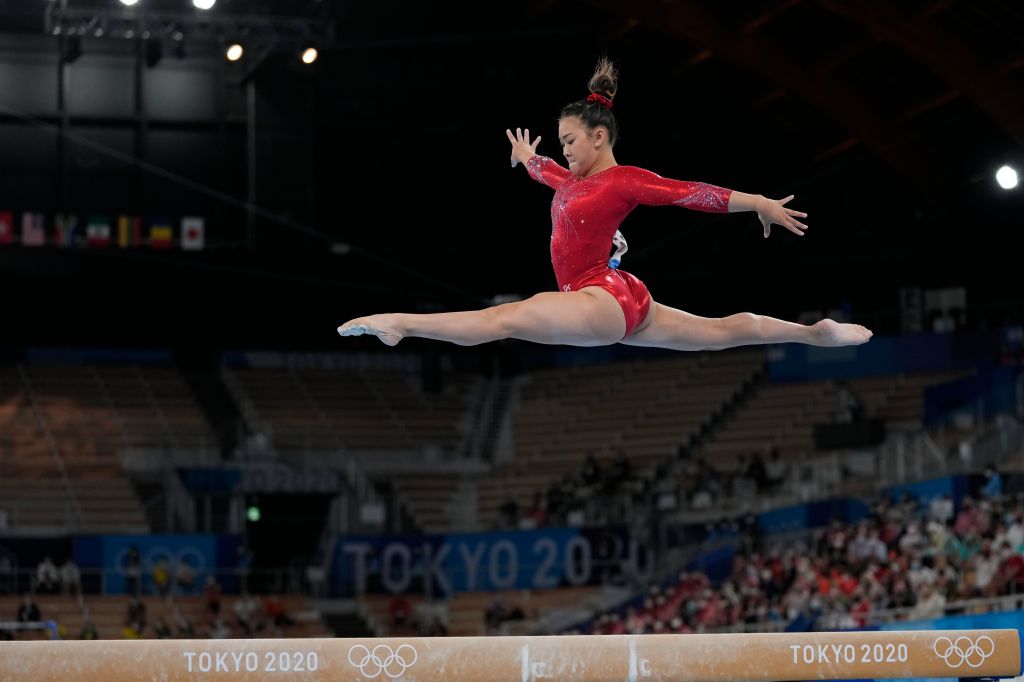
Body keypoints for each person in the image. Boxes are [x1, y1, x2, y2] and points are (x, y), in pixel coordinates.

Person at [338, 58, 872, 352]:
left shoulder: (622, 180)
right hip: (622, 299)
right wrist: (527, 156)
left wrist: (756, 201)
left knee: (505, 318)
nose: (563, 150)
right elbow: (545, 172)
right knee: (721, 333)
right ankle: (814, 335)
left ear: (598, 137)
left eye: (569, 140)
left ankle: (400, 323)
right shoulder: (569, 181)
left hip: (600, 297)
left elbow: (689, 192)